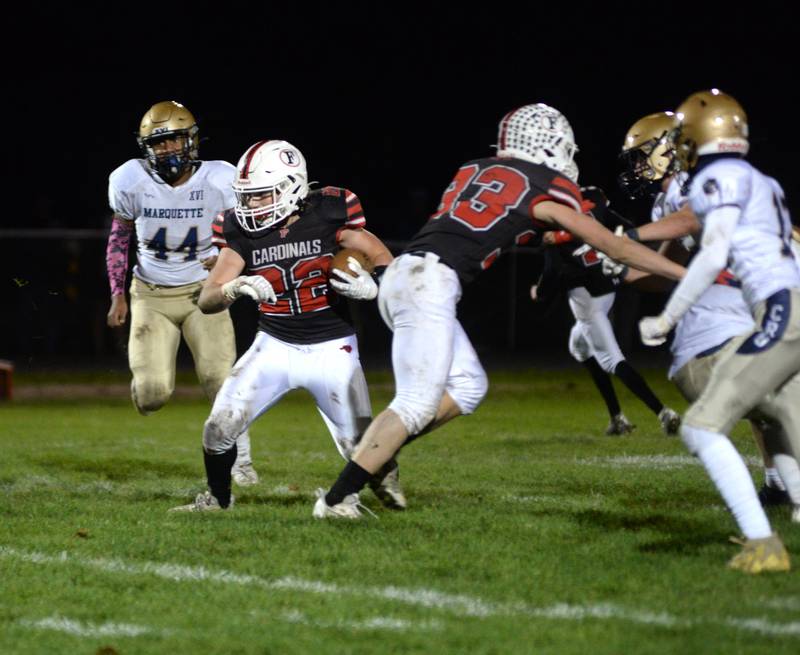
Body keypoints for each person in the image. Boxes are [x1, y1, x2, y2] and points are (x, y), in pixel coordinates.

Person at [312, 103, 686, 519]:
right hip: (430, 283)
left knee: (469, 385)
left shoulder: (476, 170)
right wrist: (686, 274)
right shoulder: (544, 185)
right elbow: (614, 246)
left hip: (406, 273)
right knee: (416, 403)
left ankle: (373, 459)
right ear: (550, 146)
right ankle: (337, 498)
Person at [170, 139, 404, 512]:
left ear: (291, 187)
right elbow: (208, 299)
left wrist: (372, 283)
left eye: (261, 196)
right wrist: (234, 286)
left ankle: (372, 480)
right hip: (274, 344)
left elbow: (380, 256)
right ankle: (217, 499)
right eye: (246, 197)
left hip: (332, 347)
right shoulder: (240, 231)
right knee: (218, 428)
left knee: (359, 445)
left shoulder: (328, 212)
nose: (250, 206)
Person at [639, 90, 800, 573]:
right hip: (780, 308)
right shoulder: (761, 181)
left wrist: (666, 315)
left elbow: (707, 248)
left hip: (763, 316)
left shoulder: (707, 180)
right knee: (780, 415)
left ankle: (763, 544)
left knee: (702, 423)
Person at [105, 100, 257, 486]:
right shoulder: (129, 180)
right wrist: (117, 294)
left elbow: (244, 231)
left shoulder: (222, 178)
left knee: (221, 379)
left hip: (204, 294)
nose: (169, 150)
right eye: (159, 143)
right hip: (151, 294)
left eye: (175, 140)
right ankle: (144, 385)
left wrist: (225, 256)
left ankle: (240, 461)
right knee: (152, 395)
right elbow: (119, 237)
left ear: (192, 140)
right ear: (146, 148)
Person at [530, 185, 681, 436]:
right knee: (578, 347)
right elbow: (621, 227)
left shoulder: (553, 220)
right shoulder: (592, 200)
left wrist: (538, 291)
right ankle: (617, 418)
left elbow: (552, 272)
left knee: (612, 360)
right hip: (608, 288)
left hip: (586, 300)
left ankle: (664, 413)